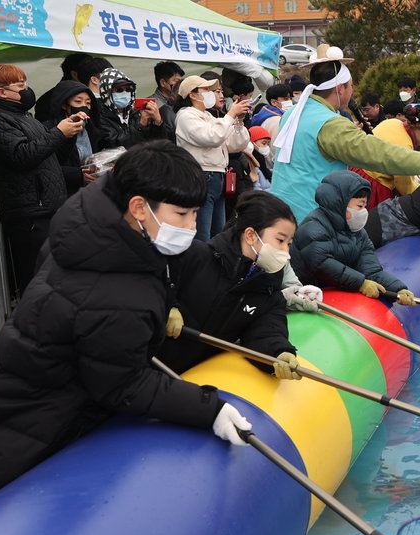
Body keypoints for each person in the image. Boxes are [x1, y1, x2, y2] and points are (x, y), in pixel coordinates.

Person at [0, 141, 254, 533]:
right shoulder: (112, 289)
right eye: (182, 214)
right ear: (138, 207)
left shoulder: (95, 225)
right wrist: (208, 408)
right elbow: (124, 383)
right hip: (29, 425)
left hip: (20, 397)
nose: (191, 226)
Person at [270, 45, 420, 222]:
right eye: (351, 85)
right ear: (340, 88)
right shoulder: (330, 124)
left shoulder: (294, 113)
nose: (353, 90)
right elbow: (379, 154)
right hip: (309, 216)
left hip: (280, 210)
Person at [159, 190, 301, 378]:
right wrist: (168, 305)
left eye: (289, 243)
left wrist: (278, 353)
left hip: (192, 377)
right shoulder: (196, 256)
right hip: (145, 362)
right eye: (280, 240)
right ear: (250, 235)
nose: (286, 251)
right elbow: (150, 278)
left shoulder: (269, 291)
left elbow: (266, 332)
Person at [0, 64, 83, 299]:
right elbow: (21, 156)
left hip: (49, 208)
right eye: (20, 85)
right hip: (30, 214)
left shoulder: (25, 118)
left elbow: (50, 156)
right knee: (38, 281)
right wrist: (58, 132)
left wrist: (68, 133)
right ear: (1, 92)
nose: (27, 90)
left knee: (58, 279)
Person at [291, 170, 415, 305]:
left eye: (365, 206)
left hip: (334, 290)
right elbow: (321, 264)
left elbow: (371, 269)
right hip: (302, 292)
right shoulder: (313, 227)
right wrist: (360, 283)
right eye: (359, 206)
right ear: (340, 204)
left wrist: (398, 289)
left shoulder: (358, 233)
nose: (363, 211)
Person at [175, 74, 251, 241]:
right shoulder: (186, 115)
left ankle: (215, 265)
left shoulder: (209, 116)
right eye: (206, 90)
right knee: (203, 234)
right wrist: (230, 115)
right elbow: (211, 137)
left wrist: (238, 122)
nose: (211, 94)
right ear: (192, 94)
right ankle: (202, 265)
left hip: (217, 177)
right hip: (201, 176)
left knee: (218, 233)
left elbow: (234, 144)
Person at [359, 102, 420, 202]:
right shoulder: (405, 147)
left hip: (356, 172)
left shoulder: (392, 122)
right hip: (373, 189)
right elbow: (405, 186)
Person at [43, 80, 100, 197]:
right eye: (78, 101)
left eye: (88, 103)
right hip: (64, 194)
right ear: (65, 105)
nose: (84, 106)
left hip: (90, 192)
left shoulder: (91, 128)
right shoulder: (49, 129)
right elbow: (47, 167)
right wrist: (77, 175)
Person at [96, 67, 166, 150]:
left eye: (128, 89)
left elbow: (159, 143)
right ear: (107, 92)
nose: (125, 93)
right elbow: (113, 144)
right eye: (119, 90)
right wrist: (140, 125)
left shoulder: (135, 112)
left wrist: (157, 122)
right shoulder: (99, 114)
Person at [34, 52, 91, 122]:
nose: (92, 80)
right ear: (74, 74)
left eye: (88, 102)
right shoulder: (48, 100)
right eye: (78, 101)